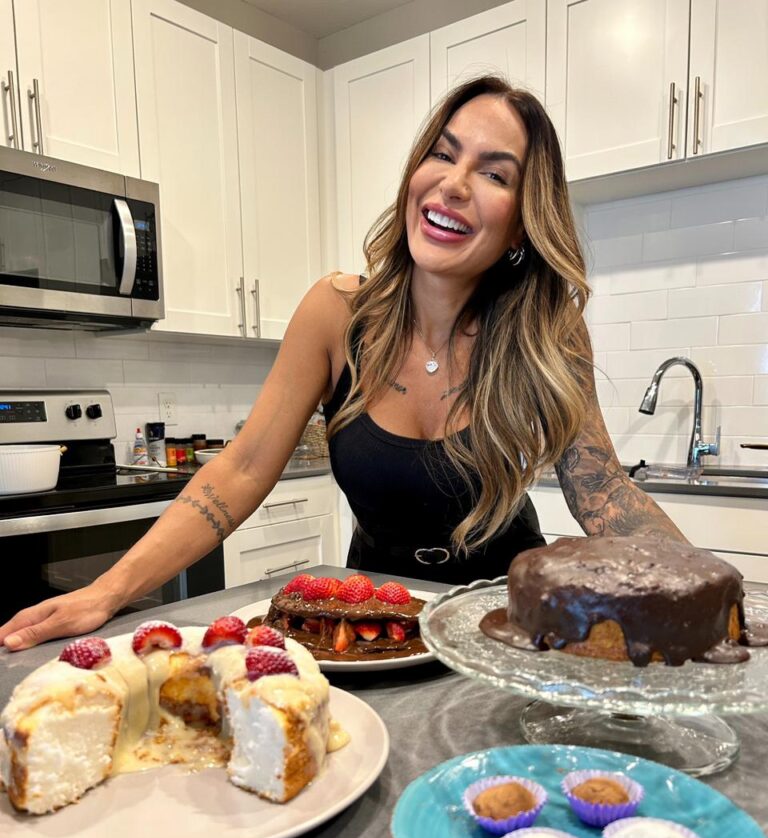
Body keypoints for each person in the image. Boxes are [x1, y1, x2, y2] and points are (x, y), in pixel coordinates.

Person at [0, 74, 685, 652]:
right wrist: (107, 591)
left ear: (521, 223)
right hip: (370, 625)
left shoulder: (546, 331)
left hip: (503, 628)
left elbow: (602, 491)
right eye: (442, 155)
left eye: (493, 173)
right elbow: (242, 468)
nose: (453, 184)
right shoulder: (335, 312)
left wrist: (709, 592)